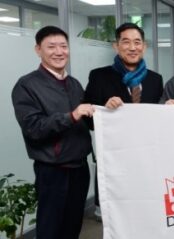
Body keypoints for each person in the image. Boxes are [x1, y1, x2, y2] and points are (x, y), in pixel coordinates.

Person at [11, 26, 94, 239]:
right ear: (38, 50)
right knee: (50, 229)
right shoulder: (27, 85)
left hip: (80, 168)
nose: (59, 51)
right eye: (51, 46)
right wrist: (71, 116)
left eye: (63, 46)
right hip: (53, 171)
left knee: (73, 226)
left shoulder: (74, 84)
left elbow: (87, 120)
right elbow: (34, 128)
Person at [83, 23, 163, 220]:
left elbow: (159, 121)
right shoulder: (99, 76)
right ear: (116, 46)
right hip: (115, 162)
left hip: (146, 161)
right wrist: (104, 110)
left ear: (144, 46)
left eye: (137, 42)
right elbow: (87, 119)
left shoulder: (155, 79)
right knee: (116, 221)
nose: (132, 47)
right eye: (126, 42)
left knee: (147, 217)